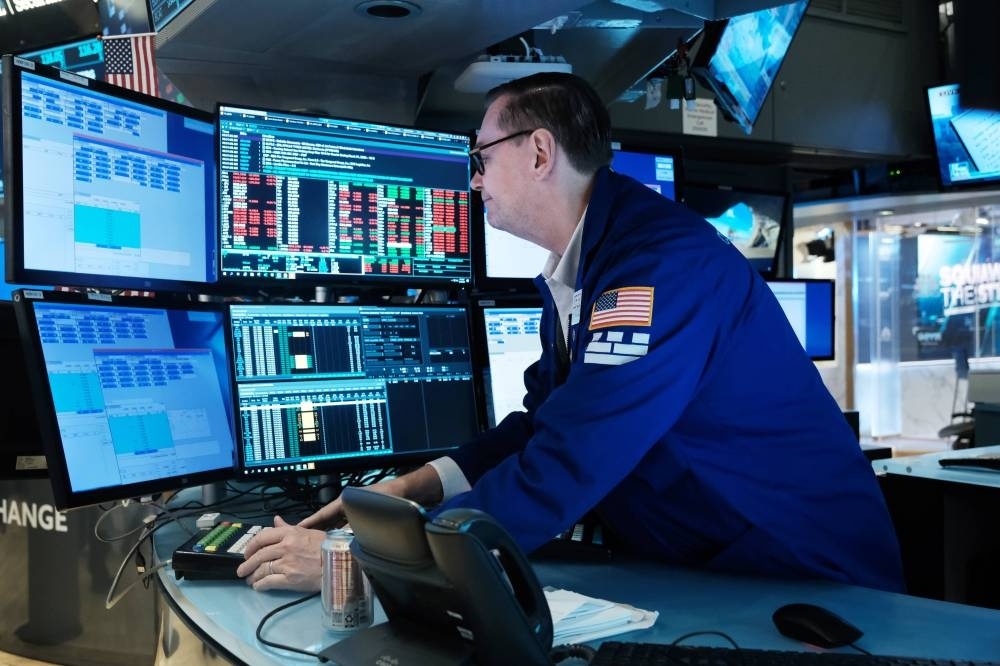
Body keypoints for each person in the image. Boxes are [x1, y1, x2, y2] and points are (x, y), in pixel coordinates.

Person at [237, 72, 905, 594]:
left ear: (537, 153)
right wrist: (411, 489)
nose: (472, 182)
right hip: (715, 565)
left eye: (480, 158)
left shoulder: (656, 271)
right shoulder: (587, 269)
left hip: (803, 579)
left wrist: (362, 559)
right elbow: (543, 427)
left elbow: (569, 461)